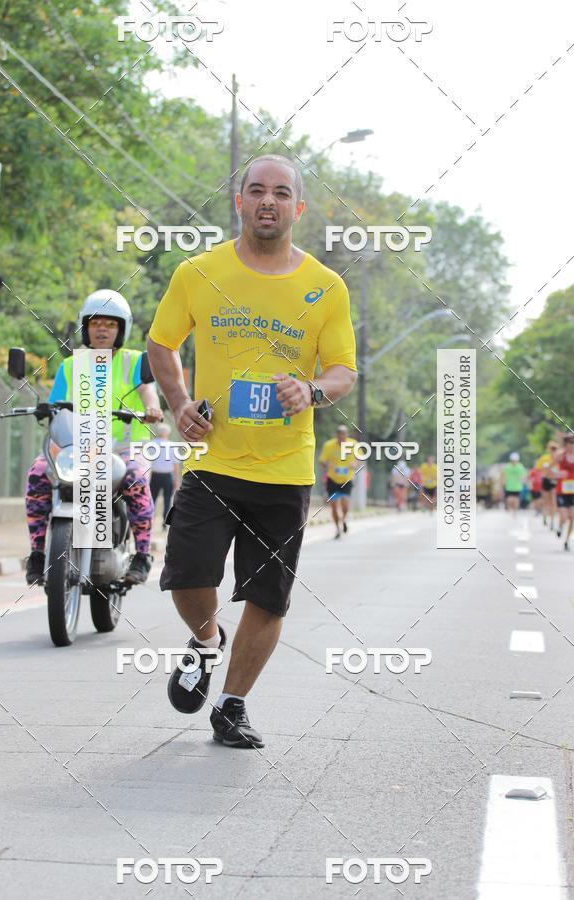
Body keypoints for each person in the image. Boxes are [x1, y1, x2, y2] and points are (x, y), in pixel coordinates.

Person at [147, 154, 357, 749]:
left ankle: (232, 706)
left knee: (267, 596)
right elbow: (161, 344)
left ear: (299, 208)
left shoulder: (325, 286)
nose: (269, 202)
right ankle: (206, 640)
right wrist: (181, 401)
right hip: (213, 460)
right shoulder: (198, 272)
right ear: (239, 201)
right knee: (187, 575)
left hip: (285, 468)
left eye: (282, 193)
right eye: (257, 191)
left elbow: (343, 370)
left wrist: (311, 388)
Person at [25, 291, 163, 586]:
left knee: (136, 478)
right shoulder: (69, 366)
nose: (102, 329)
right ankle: (37, 553)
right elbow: (56, 411)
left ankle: (142, 554)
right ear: (85, 327)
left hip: (124, 448)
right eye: (95, 323)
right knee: (38, 471)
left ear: (121, 329)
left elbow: (148, 391)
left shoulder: (136, 361)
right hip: (79, 448)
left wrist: (153, 408)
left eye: (110, 324)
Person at [318, 425, 358, 538]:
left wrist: (355, 464)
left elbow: (360, 458)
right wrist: (327, 464)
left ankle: (344, 519)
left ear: (347, 436)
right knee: (334, 506)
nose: (342, 439)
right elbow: (321, 461)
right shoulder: (329, 445)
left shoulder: (354, 444)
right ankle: (337, 529)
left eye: (344, 437)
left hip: (347, 479)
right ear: (337, 436)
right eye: (339, 437)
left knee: (345, 505)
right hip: (333, 479)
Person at [149, 423, 181, 530]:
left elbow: (148, 462)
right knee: (167, 500)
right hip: (168, 476)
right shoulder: (172, 445)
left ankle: (150, 521)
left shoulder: (152, 444)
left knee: (152, 498)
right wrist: (176, 479)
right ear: (168, 433)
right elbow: (175, 464)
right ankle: (164, 523)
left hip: (155, 476)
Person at [553, 434, 574, 550]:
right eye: (570, 443)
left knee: (573, 518)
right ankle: (560, 526)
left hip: (573, 492)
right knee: (565, 517)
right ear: (566, 444)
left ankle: (566, 541)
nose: (572, 446)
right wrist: (557, 474)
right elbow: (548, 470)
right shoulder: (560, 456)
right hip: (562, 491)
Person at [535, 440, 559, 528]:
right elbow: (538, 468)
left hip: (555, 481)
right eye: (552, 448)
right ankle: (545, 516)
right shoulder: (544, 458)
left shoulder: (559, 458)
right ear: (548, 449)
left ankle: (552, 522)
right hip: (546, 480)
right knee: (546, 501)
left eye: (555, 448)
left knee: (553, 501)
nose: (553, 450)